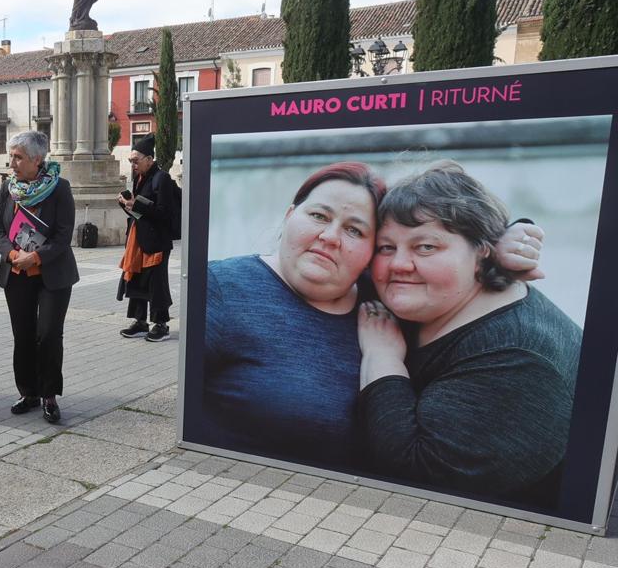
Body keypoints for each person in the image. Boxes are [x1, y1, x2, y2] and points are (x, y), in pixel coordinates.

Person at [196, 162, 544, 470]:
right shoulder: (220, 288)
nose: (330, 237)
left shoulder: (385, 295)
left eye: (355, 230)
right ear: (289, 216)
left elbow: (437, 239)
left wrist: (496, 245)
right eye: (318, 215)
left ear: (372, 251)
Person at [358, 163, 580, 509]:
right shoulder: (436, 296)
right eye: (386, 247)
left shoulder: (518, 357)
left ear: (482, 252)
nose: (399, 264)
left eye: (426, 247)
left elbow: (415, 479)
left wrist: (382, 359)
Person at [0, 131, 79, 424]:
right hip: (17, 275)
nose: (12, 162)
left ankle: (49, 395)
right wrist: (14, 256)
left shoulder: (60, 188)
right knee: (23, 335)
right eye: (11, 156)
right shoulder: (8, 188)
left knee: (49, 334)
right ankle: (28, 392)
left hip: (52, 275)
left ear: (37, 160)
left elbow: (64, 236)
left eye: (18, 157)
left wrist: (36, 257)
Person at [117, 134, 178, 342]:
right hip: (139, 239)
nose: (133, 165)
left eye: (136, 160)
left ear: (149, 159)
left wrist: (137, 204)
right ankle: (140, 322)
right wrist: (127, 206)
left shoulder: (162, 178)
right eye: (130, 161)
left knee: (157, 284)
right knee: (136, 280)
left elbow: (164, 213)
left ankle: (161, 324)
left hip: (157, 242)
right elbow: (140, 214)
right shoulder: (139, 179)